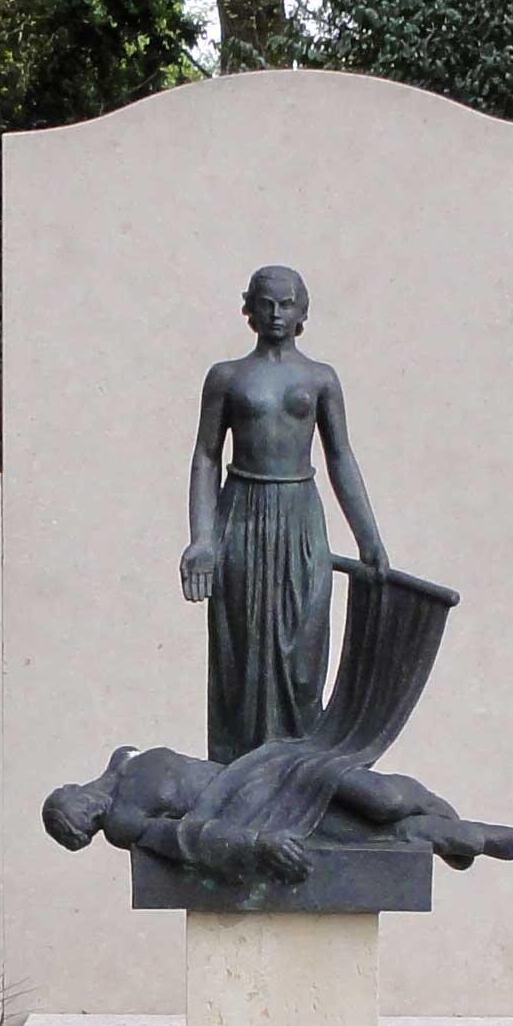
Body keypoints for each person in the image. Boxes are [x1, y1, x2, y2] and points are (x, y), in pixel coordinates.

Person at [182, 266, 383, 759]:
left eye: (287, 304)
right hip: (241, 517)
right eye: (267, 303)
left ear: (302, 312)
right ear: (249, 309)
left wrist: (369, 538)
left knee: (303, 658)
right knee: (241, 654)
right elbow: (206, 456)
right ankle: (237, 774)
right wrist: (202, 538)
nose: (276, 313)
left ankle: (296, 772)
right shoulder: (227, 377)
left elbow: (341, 457)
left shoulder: (320, 379)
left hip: (300, 519)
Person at [41, 742, 513, 886]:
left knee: (382, 798)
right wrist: (257, 844)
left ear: (68, 790)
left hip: (262, 770)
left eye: (71, 812)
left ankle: (440, 814)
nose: (85, 817)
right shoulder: (122, 822)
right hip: (253, 814)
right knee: (363, 833)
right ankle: (464, 836)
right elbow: (185, 839)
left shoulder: (123, 758)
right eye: (79, 828)